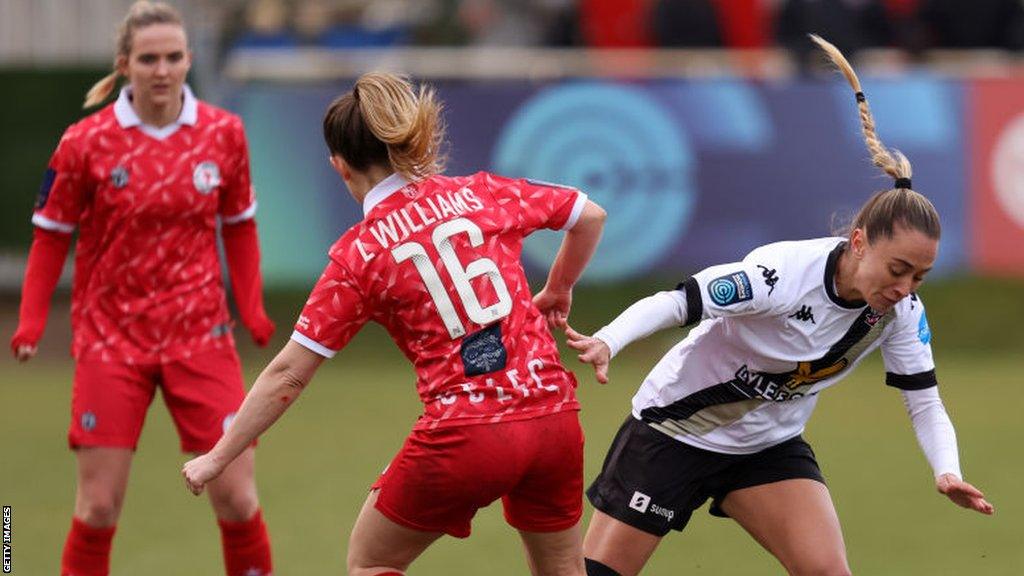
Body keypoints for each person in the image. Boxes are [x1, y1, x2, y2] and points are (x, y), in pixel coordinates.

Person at [567, 35, 993, 576]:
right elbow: (679, 302)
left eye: (921, 277)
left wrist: (946, 471)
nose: (906, 287)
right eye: (898, 269)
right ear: (859, 242)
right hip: (674, 431)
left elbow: (925, 403)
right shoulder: (782, 275)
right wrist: (610, 338)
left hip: (767, 447)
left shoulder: (900, 314)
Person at [182, 72, 607, 576]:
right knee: (562, 568)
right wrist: (559, 288)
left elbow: (288, 374)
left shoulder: (359, 254)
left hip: (466, 431)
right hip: (554, 416)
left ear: (339, 166)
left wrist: (217, 456)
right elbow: (590, 215)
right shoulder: (483, 192)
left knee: (371, 561)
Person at [9, 2, 276, 575]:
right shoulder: (85, 142)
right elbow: (52, 235)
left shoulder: (224, 134)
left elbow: (240, 224)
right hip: (112, 341)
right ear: (124, 64)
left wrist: (250, 308)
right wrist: (31, 319)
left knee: (237, 497)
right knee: (99, 506)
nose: (162, 69)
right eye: (149, 58)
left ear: (190, 60)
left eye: (173, 57)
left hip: (201, 336)